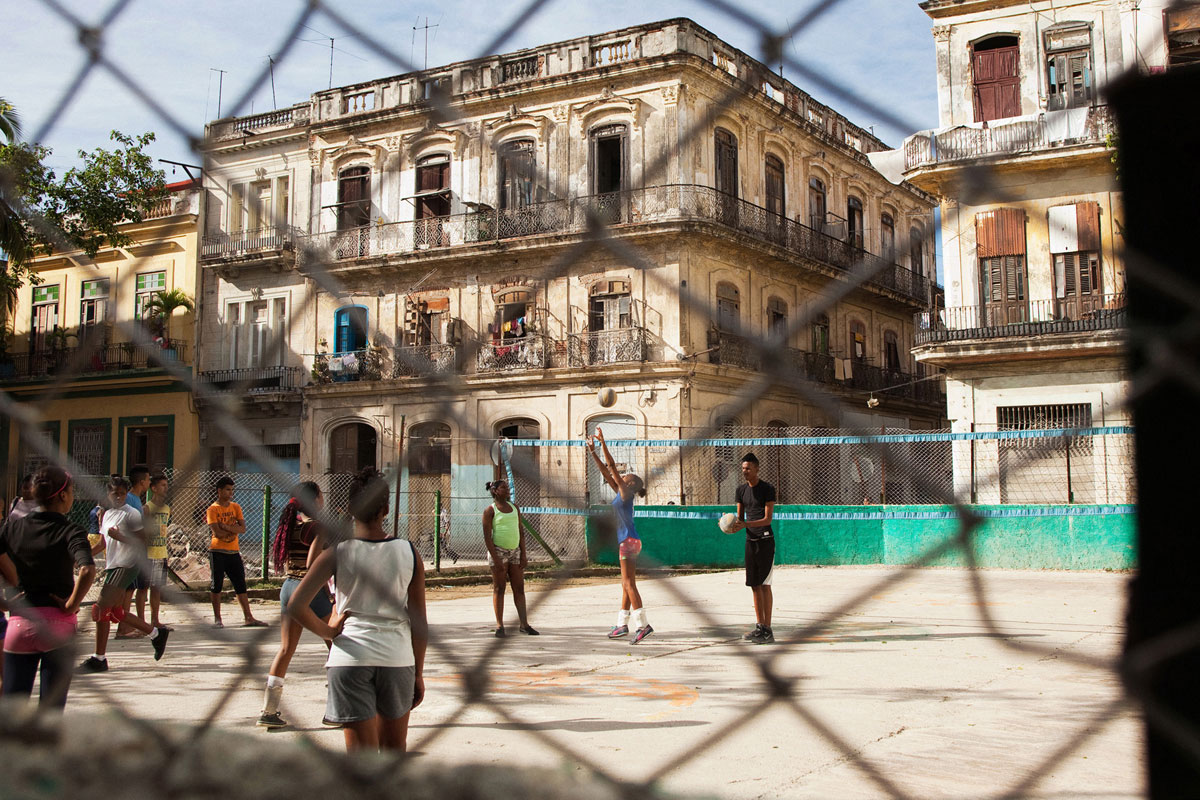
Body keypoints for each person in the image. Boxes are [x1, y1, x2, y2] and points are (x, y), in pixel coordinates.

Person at [288, 467, 428, 753]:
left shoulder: (337, 553)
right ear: (386, 509)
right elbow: (419, 623)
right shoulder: (409, 552)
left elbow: (296, 605)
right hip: (397, 657)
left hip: (350, 657)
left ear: (350, 509)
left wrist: (328, 630)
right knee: (393, 753)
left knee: (361, 761)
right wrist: (418, 673)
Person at [0, 466, 96, 707]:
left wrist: (2, 602)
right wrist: (72, 604)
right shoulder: (71, 531)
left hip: (19, 623)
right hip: (58, 628)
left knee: (12, 709)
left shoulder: (12, 528)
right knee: (51, 711)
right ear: (63, 495)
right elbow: (87, 569)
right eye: (72, 491)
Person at [258, 481, 334, 728]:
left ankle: (269, 711)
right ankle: (336, 710)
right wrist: (328, 592)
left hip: (289, 586)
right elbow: (313, 563)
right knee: (337, 646)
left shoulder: (290, 524)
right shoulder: (317, 526)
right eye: (321, 495)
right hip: (309, 589)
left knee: (286, 649)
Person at [78, 475, 170, 672]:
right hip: (113, 565)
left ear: (127, 494)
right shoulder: (107, 514)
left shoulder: (132, 514)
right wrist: (83, 556)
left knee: (100, 609)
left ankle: (99, 658)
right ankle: (155, 633)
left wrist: (120, 536)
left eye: (122, 493)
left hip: (128, 565)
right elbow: (102, 543)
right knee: (115, 612)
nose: (119, 497)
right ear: (108, 495)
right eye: (115, 494)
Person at [586, 426, 652, 644]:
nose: (623, 476)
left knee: (628, 583)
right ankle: (622, 624)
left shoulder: (625, 492)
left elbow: (612, 466)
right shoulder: (622, 494)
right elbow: (606, 471)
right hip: (632, 541)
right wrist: (593, 452)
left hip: (627, 542)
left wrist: (603, 442)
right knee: (626, 582)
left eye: (627, 476)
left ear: (631, 484)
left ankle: (642, 625)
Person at [730, 452, 777, 644]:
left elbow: (767, 519)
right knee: (754, 586)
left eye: (748, 468)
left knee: (765, 585)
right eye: (743, 469)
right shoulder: (741, 490)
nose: (745, 472)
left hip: (765, 540)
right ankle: (759, 627)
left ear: (757, 468)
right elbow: (740, 519)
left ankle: (768, 629)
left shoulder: (767, 489)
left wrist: (746, 525)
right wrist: (729, 523)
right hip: (750, 541)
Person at [482, 479, 537, 638]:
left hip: (515, 552)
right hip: (498, 552)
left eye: (507, 487)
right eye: (503, 488)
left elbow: (520, 530)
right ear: (495, 491)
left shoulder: (515, 508)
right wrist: (496, 559)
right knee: (499, 588)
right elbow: (487, 537)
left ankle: (524, 624)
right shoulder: (490, 511)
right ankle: (500, 625)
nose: (507, 490)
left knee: (519, 589)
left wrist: (524, 554)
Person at [206, 476, 265, 628]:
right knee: (216, 584)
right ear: (219, 491)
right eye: (227, 489)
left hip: (233, 552)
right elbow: (217, 533)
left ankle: (248, 617)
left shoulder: (236, 507)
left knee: (240, 584)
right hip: (217, 551)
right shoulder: (213, 509)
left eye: (232, 490)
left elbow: (242, 529)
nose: (230, 493)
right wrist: (232, 529)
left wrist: (226, 527)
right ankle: (218, 619)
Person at [140, 474, 172, 631]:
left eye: (166, 485)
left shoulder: (166, 509)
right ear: (153, 488)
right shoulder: (147, 508)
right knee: (143, 587)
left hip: (161, 552)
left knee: (157, 588)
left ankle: (155, 619)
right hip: (148, 554)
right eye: (162, 485)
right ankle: (141, 620)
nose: (165, 488)